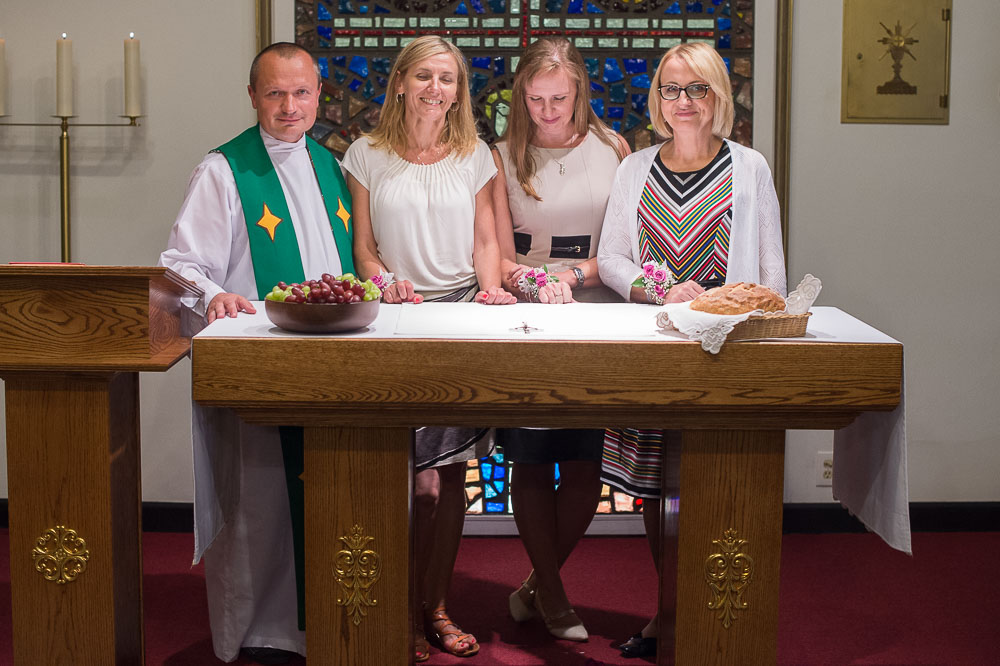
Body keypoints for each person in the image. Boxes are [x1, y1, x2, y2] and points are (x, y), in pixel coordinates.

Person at [159, 42, 355, 665]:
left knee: (323, 492)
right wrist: (213, 295)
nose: (289, 106)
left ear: (319, 96)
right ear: (252, 96)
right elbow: (179, 264)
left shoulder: (329, 165)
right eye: (275, 93)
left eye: (301, 93)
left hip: (328, 365)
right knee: (261, 499)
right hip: (259, 361)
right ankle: (258, 633)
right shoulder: (223, 170)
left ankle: (319, 625)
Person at [596, 42, 786, 658]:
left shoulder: (749, 167)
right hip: (656, 351)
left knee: (717, 481)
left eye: (697, 88)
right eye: (671, 89)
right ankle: (668, 611)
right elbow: (612, 258)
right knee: (656, 489)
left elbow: (773, 273)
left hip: (725, 355)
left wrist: (755, 332)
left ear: (718, 95)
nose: (684, 101)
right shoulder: (635, 168)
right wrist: (658, 289)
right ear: (658, 98)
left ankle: (720, 618)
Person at [340, 35, 516, 662]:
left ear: (459, 91)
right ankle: (398, 606)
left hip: (460, 317)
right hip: (396, 319)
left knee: (451, 478)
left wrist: (491, 291)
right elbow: (363, 248)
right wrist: (385, 281)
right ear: (400, 82)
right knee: (415, 488)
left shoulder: (475, 155)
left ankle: (435, 607)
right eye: (424, 76)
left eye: (447, 79)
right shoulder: (365, 154)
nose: (435, 89)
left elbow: (486, 241)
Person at [489, 37, 630, 643]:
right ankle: (552, 594)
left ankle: (534, 588)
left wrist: (572, 277)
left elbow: (622, 248)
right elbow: (497, 254)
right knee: (530, 455)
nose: (547, 111)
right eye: (536, 99)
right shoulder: (500, 156)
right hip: (528, 313)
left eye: (560, 99)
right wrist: (530, 281)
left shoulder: (614, 150)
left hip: (594, 306)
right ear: (521, 96)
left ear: (580, 94)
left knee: (585, 463)